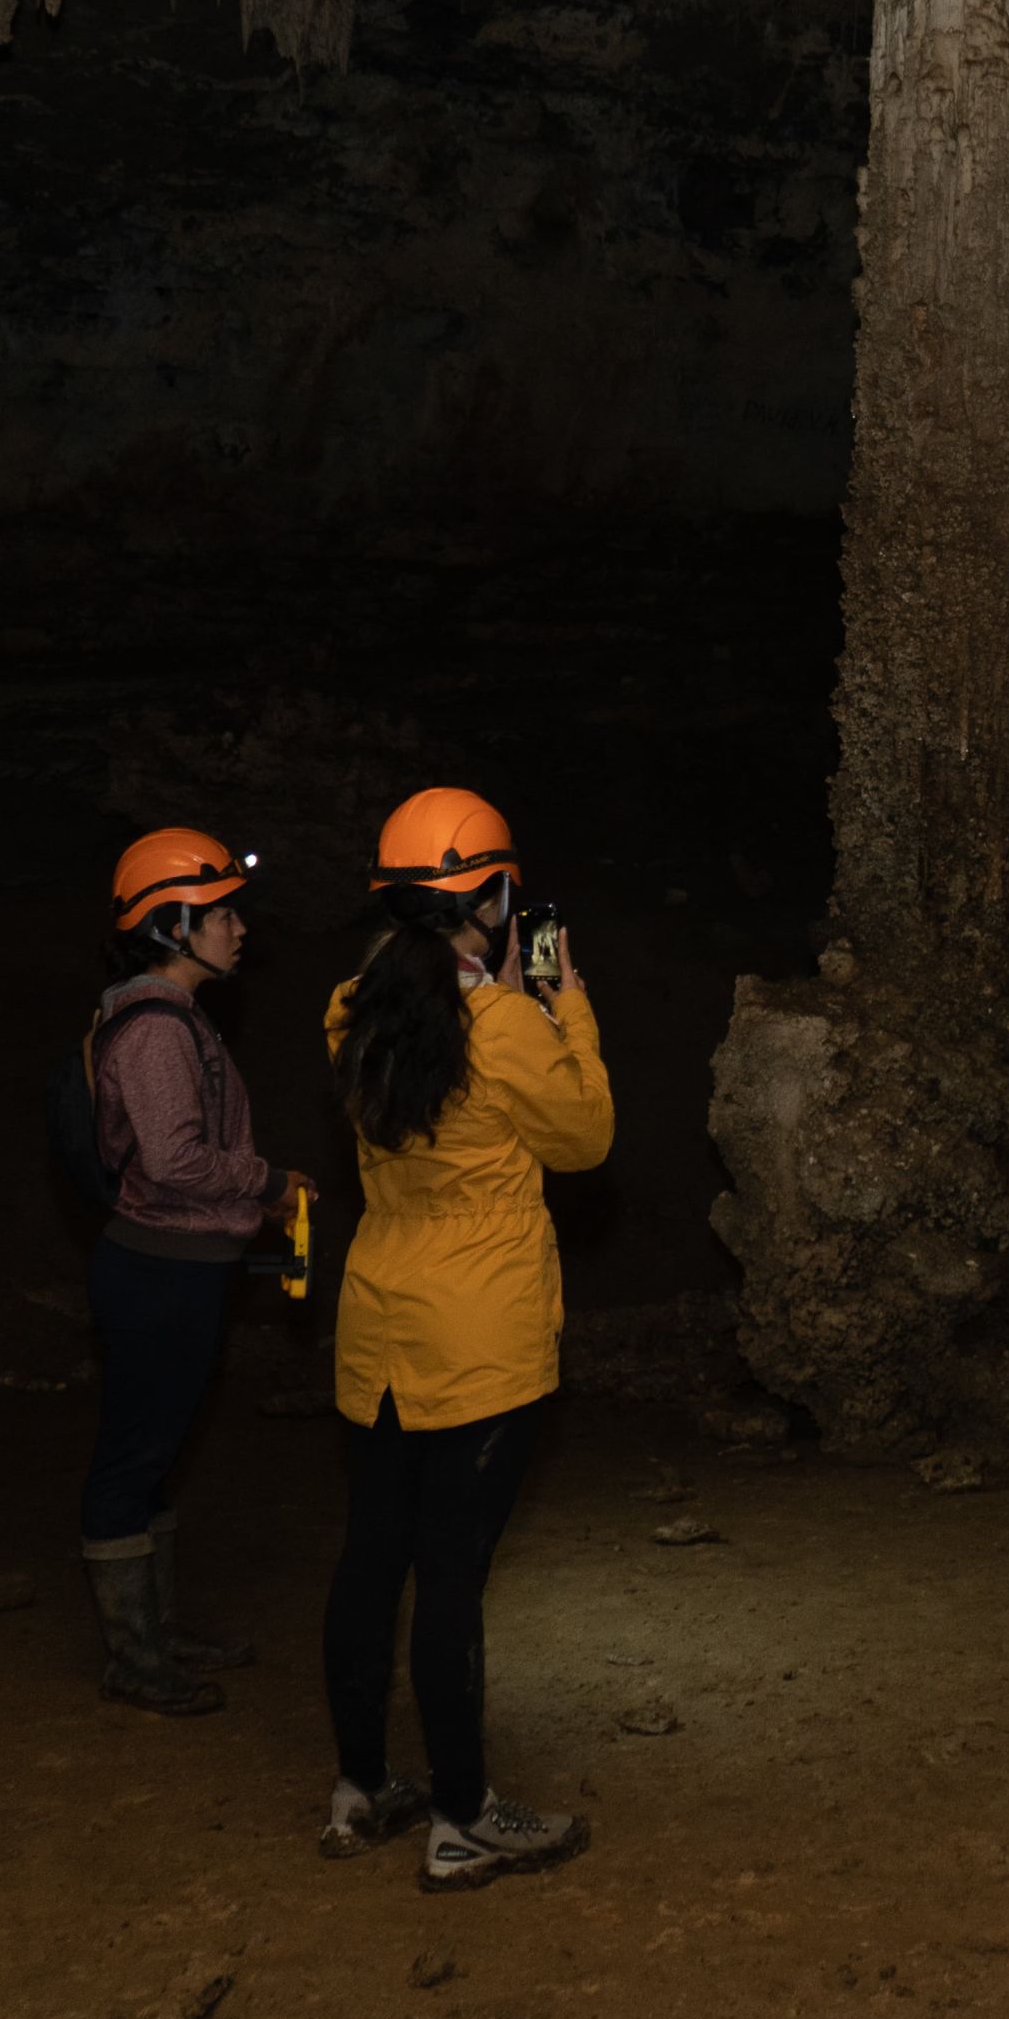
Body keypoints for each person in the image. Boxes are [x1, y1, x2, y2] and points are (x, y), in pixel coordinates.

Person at [318, 787, 613, 1888]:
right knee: (450, 1578)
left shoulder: (350, 1007)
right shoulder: (504, 1027)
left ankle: (361, 1787)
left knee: (370, 1554)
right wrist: (564, 1001)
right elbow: (585, 1138)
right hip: (479, 1330)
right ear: (490, 895)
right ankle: (459, 1819)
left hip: (381, 1324)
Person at [80, 827, 313, 1716]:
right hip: (157, 1272)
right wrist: (270, 1180)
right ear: (173, 924)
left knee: (157, 1450)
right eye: (222, 913)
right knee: (134, 1454)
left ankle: (157, 1632)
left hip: (177, 1266)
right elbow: (176, 1162)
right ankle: (134, 1657)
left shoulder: (171, 1019)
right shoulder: (154, 1030)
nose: (241, 928)